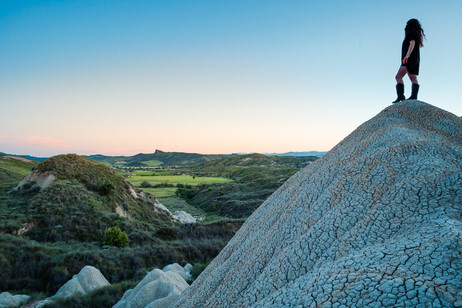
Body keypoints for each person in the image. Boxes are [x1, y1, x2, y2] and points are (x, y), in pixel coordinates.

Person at [392, 19, 425, 103]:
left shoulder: (411, 33)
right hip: (415, 59)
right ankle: (414, 96)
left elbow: (412, 43)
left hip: (408, 59)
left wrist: (407, 55)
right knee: (413, 77)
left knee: (398, 77)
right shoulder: (416, 34)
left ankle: (401, 96)